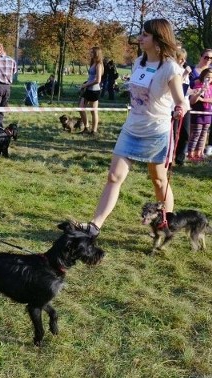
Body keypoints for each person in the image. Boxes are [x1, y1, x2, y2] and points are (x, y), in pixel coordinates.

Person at [77, 19, 188, 237]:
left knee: (159, 181)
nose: (140, 38)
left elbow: (181, 100)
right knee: (113, 177)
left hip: (156, 132)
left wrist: (181, 109)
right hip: (131, 129)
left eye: (145, 35)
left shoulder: (170, 68)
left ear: (158, 40)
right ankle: (94, 226)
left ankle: (167, 222)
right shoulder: (138, 62)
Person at [186, 68, 211, 160]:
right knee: (196, 134)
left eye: (211, 78)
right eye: (207, 77)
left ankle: (198, 154)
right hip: (198, 115)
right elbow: (192, 101)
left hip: (208, 114)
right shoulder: (197, 86)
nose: (209, 79)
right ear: (203, 77)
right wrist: (200, 92)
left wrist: (203, 99)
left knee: (203, 135)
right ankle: (190, 154)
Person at [0, 43, 17, 130]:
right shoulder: (12, 60)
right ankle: (0, 129)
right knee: (1, 110)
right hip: (8, 88)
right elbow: (14, 72)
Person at [79, 47, 104, 134]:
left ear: (96, 53)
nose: (90, 54)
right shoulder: (93, 63)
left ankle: (94, 131)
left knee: (93, 111)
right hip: (88, 89)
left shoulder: (99, 65)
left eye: (91, 52)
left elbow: (98, 80)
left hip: (94, 90)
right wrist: (86, 84)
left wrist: (86, 85)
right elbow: (91, 77)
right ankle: (86, 127)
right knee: (81, 108)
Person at [174, 48, 192, 166]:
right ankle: (169, 157)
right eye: (181, 58)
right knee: (174, 133)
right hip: (174, 106)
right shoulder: (173, 71)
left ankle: (180, 158)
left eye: (184, 58)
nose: (183, 61)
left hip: (186, 106)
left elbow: (185, 90)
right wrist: (184, 74)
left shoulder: (185, 71)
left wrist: (194, 91)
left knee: (185, 133)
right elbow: (175, 88)